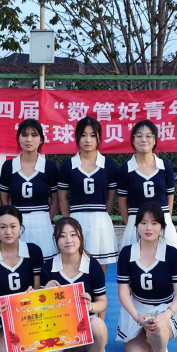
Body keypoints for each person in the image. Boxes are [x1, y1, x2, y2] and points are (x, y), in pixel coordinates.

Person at [21, 217, 108, 352]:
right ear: (56, 240)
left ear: (80, 237)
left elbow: (102, 302)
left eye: (73, 234)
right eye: (62, 236)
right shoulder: (48, 266)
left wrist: (90, 305)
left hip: (82, 327)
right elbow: (40, 307)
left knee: (98, 325)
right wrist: (43, 292)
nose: (68, 240)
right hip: (56, 327)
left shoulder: (92, 265)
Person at [116, 202, 177, 352]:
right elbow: (123, 292)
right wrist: (136, 316)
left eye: (154, 223)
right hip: (137, 310)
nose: (149, 228)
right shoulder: (126, 253)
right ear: (137, 225)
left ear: (162, 226)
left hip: (163, 310)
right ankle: (149, 341)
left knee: (157, 328)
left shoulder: (172, 254)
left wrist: (165, 315)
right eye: (144, 223)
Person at [0, 205, 43, 352]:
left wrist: (33, 296)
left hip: (30, 314)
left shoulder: (33, 251)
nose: (8, 231)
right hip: (4, 317)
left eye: (13, 226)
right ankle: (3, 341)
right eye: (2, 227)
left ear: (20, 226)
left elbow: (38, 289)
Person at [58, 116, 119, 273]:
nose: (88, 140)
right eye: (83, 135)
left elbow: (111, 196)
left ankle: (98, 289)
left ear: (99, 138)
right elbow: (62, 199)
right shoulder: (68, 165)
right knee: (76, 264)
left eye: (93, 135)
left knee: (99, 267)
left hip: (100, 221)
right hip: (76, 219)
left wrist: (103, 214)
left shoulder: (108, 164)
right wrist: (69, 223)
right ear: (77, 137)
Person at [117, 120, 177, 259]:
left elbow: (169, 200)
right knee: (135, 264)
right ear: (133, 140)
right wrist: (133, 225)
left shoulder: (165, 167)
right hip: (136, 224)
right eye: (139, 136)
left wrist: (162, 222)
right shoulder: (126, 169)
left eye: (148, 136)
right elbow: (122, 204)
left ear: (154, 140)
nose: (144, 139)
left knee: (166, 263)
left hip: (161, 223)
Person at [0, 119, 59, 260]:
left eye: (34, 135)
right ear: (18, 138)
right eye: (24, 135)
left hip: (42, 222)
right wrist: (11, 220)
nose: (29, 139)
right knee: (18, 262)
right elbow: (4, 200)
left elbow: (56, 201)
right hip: (15, 223)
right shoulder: (8, 166)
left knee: (44, 263)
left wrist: (46, 220)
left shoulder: (49, 166)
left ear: (41, 139)